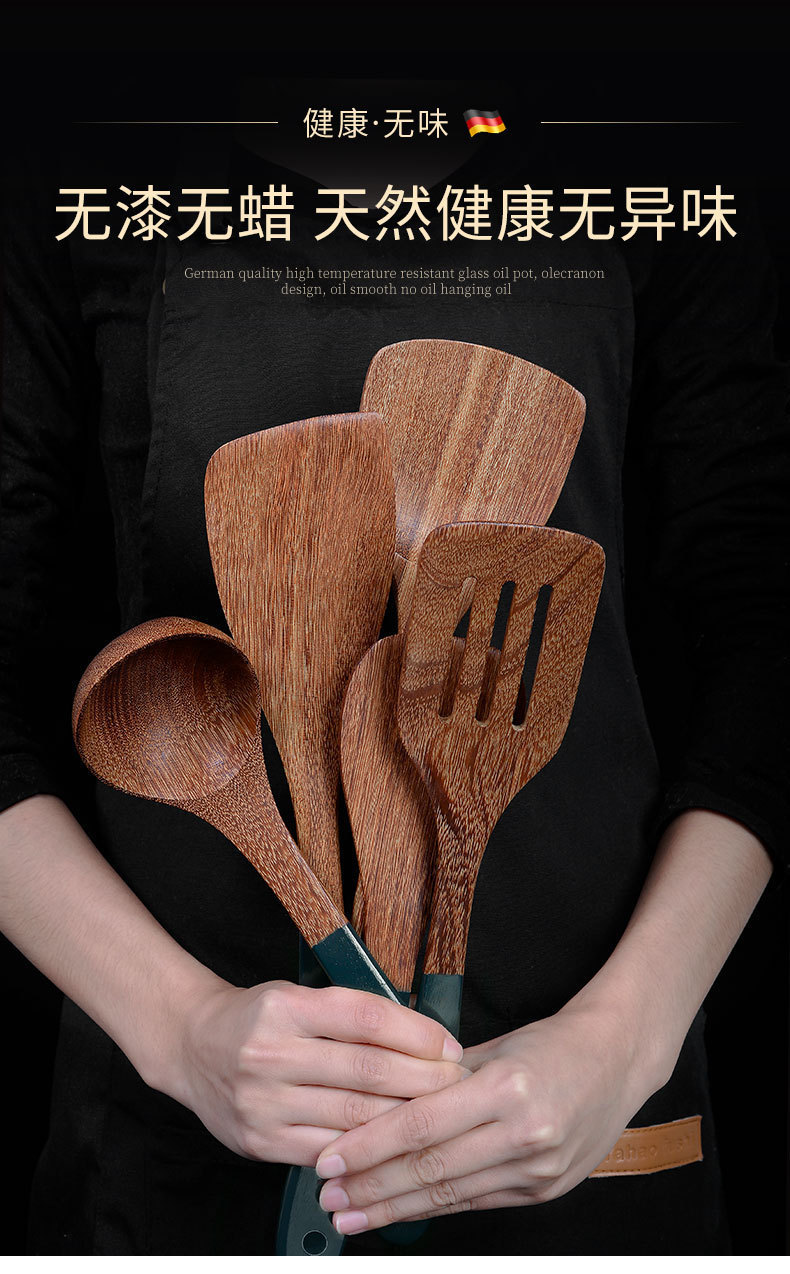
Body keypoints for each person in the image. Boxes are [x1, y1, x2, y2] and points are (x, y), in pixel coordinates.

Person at [1, 113, 787, 1256]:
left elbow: (760, 620)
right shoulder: (72, 156)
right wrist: (178, 1025)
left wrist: (626, 1036)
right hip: (177, 1128)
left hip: (586, 1101)